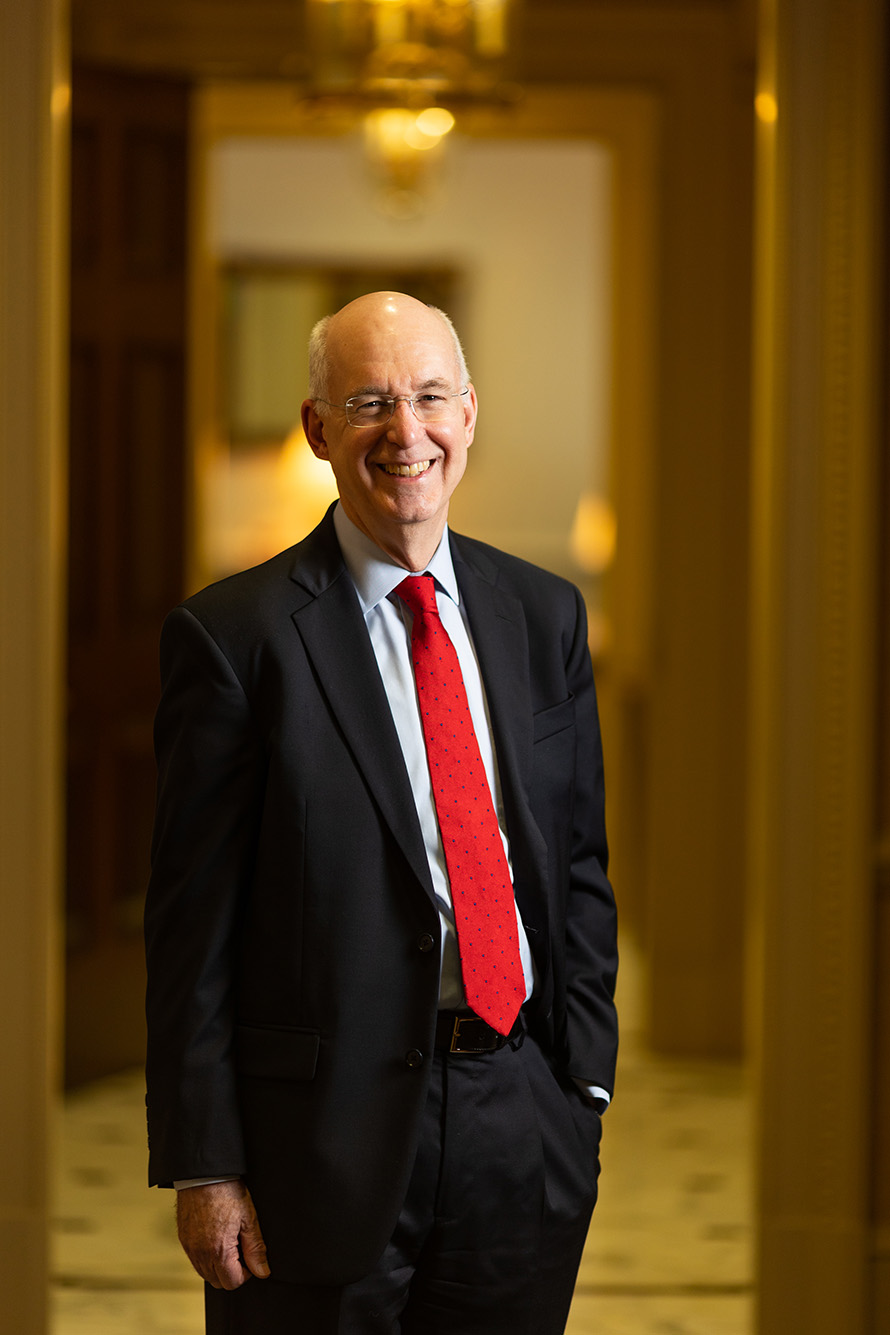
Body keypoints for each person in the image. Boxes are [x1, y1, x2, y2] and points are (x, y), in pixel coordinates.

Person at [144, 291, 618, 1335]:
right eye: (369, 401)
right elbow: (194, 931)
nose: (406, 432)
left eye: (430, 398)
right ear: (318, 429)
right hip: (310, 1143)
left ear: (468, 414)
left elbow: (577, 867)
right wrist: (206, 1163)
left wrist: (578, 1092)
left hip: (517, 1121)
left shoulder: (542, 615)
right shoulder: (234, 639)